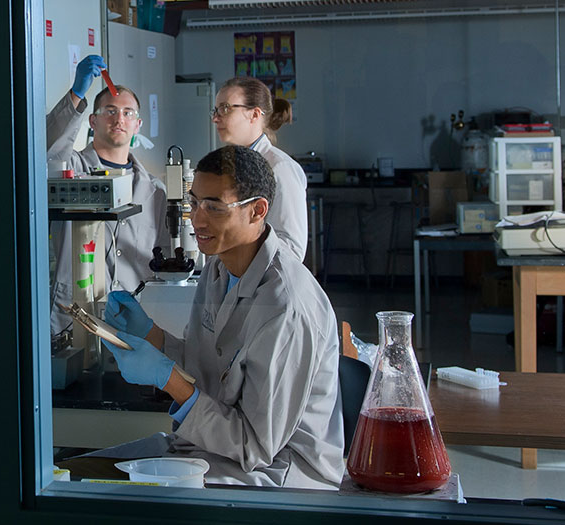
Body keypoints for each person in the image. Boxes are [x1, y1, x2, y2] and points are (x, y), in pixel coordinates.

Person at [98, 145, 343, 488]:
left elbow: (253, 446)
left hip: (277, 473)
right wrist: (151, 335)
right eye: (194, 202)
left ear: (257, 211)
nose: (197, 220)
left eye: (214, 207)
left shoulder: (286, 307)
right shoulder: (219, 265)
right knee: (93, 473)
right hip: (214, 450)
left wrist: (167, 379)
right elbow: (210, 365)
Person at [46, 54, 167, 334]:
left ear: (138, 125)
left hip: (134, 313)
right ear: (92, 121)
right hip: (73, 313)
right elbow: (46, 154)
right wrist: (77, 94)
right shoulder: (71, 169)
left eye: (128, 113)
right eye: (109, 111)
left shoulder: (155, 192)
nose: (119, 119)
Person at [211, 77, 308, 262]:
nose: (216, 118)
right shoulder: (230, 165)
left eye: (225, 108)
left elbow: (293, 250)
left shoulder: (279, 168)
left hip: (266, 285)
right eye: (215, 110)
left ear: (254, 115)